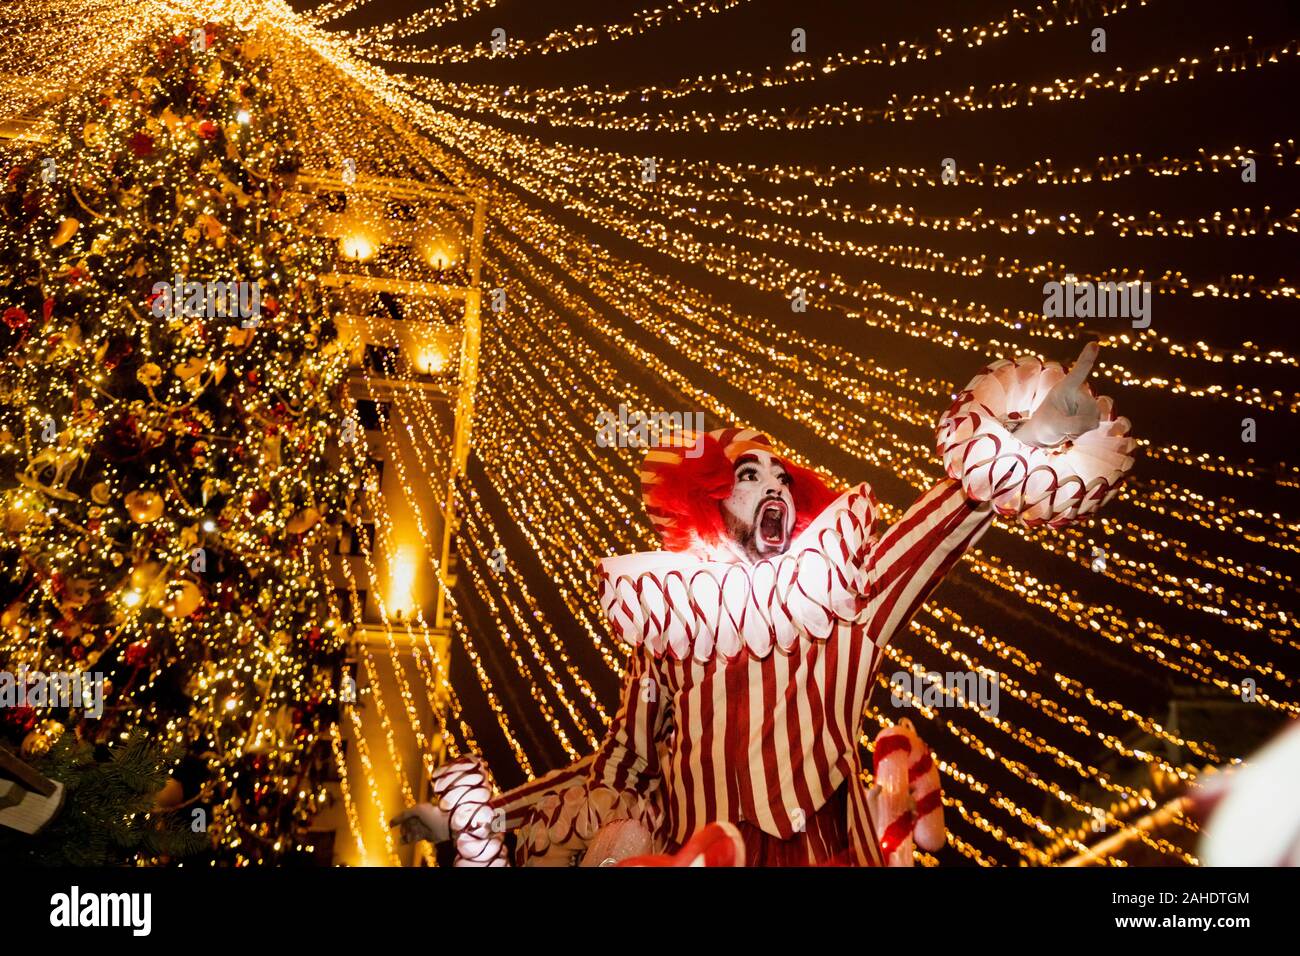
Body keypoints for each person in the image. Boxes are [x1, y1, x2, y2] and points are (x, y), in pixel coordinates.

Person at [395, 342, 1136, 866]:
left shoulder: (844, 597)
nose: (774, 485)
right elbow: (614, 772)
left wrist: (1032, 440)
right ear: (710, 502)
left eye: (782, 477)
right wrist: (482, 818)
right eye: (752, 476)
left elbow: (941, 525)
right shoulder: (670, 632)